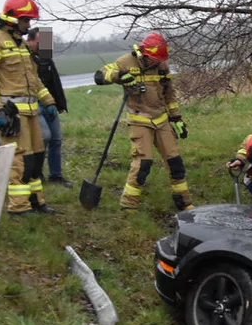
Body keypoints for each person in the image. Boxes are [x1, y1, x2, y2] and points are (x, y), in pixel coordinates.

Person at [0, 0, 60, 216]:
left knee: (35, 158)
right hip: (12, 113)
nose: (29, 25)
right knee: (19, 160)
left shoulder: (20, 43)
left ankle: (36, 201)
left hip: (31, 112)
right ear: (13, 18)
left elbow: (33, 77)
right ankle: (18, 206)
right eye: (26, 20)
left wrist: (48, 101)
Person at [93, 32, 193, 211]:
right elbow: (100, 75)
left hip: (161, 119)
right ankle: (128, 205)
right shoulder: (126, 62)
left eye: (158, 60)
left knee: (175, 162)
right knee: (143, 164)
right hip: (140, 120)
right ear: (143, 53)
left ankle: (183, 202)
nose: (156, 63)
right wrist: (119, 75)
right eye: (153, 59)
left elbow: (169, 93)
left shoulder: (162, 65)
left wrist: (176, 118)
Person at [25, 27, 70, 187]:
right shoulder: (25, 58)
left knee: (56, 139)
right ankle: (36, 173)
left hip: (49, 103)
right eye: (40, 43)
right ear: (29, 41)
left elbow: (55, 82)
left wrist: (59, 103)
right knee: (44, 137)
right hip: (33, 103)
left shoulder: (46, 59)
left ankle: (55, 176)